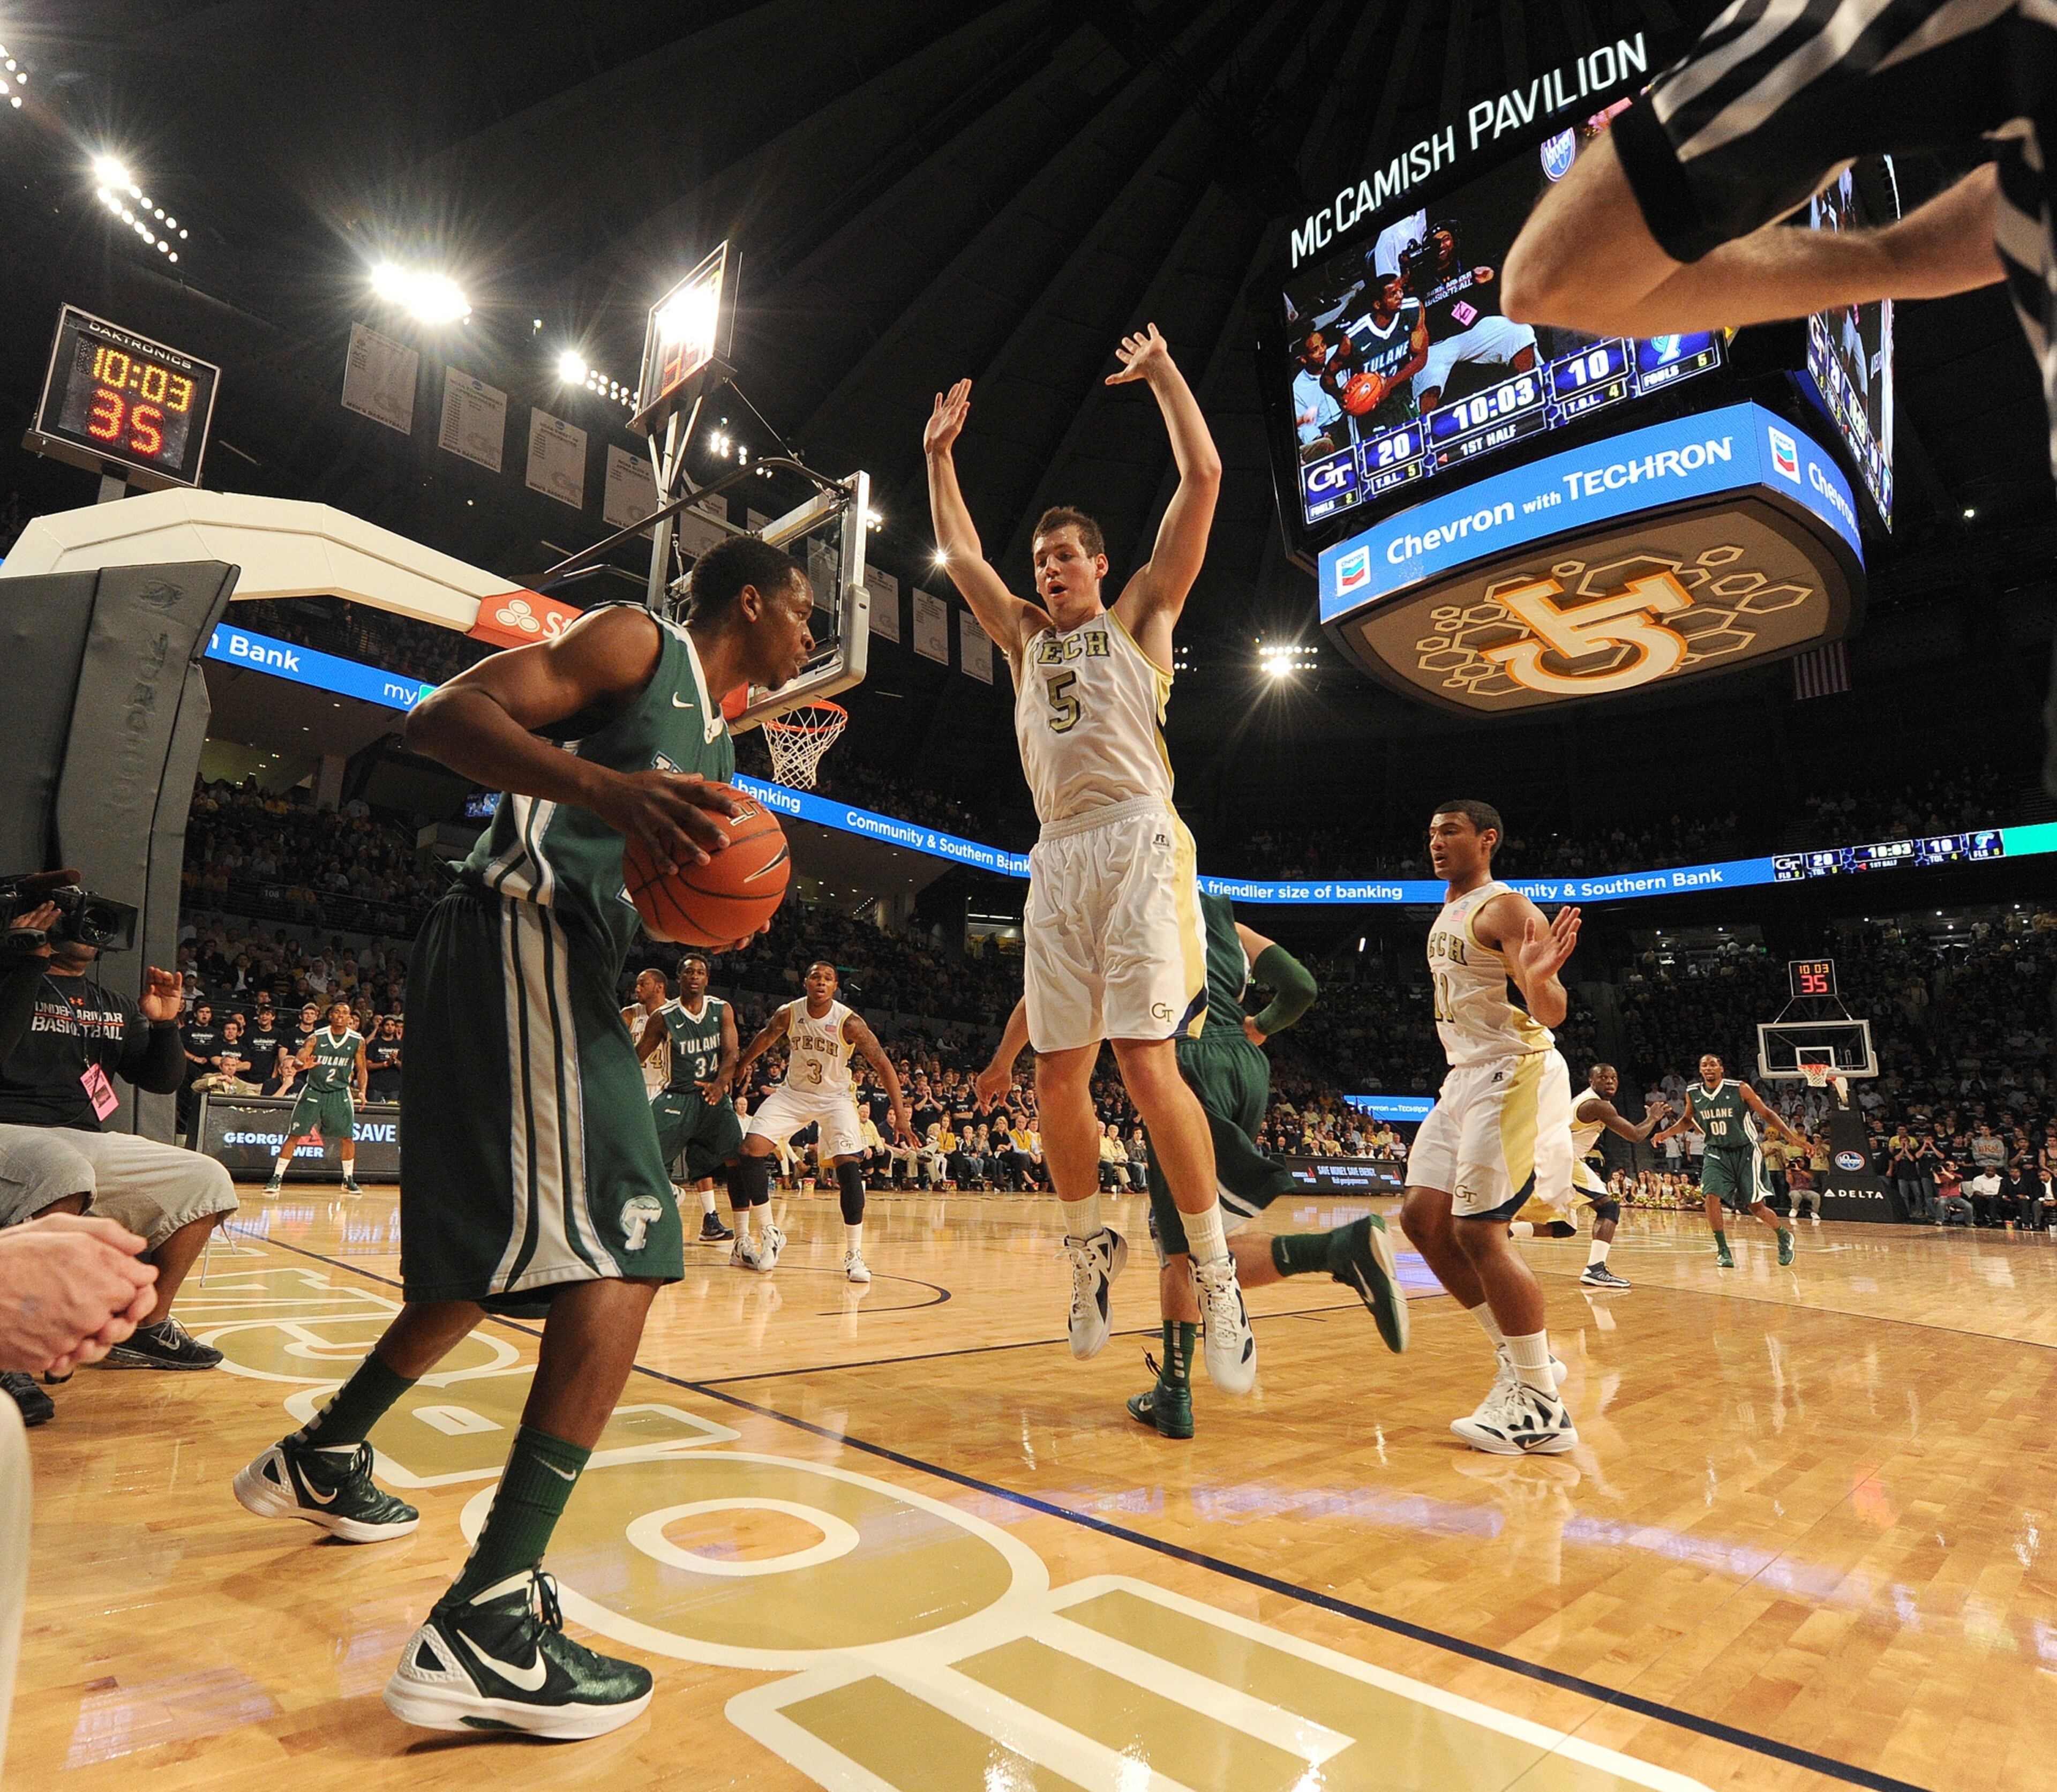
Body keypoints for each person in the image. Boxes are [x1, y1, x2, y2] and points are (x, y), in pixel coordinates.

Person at [231, 531, 817, 1740]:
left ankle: (324, 1451)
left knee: (479, 1267)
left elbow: (636, 857)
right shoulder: (638, 643)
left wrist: (701, 904)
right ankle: (488, 1619)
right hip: (517, 933)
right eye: (806, 608)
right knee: (632, 1248)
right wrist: (608, 790)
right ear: (749, 600)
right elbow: (439, 718)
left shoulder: (721, 731)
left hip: (555, 952)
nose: (817, 632)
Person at [926, 324, 1258, 1397]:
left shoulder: (1142, 616)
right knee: (1055, 1074)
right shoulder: (1025, 639)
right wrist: (939, 458)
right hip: (1058, 854)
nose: (1050, 569)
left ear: (1101, 565)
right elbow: (965, 561)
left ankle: (1214, 1272)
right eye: (1043, 561)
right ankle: (1087, 1250)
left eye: (1066, 556)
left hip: (1137, 836)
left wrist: (1165, 375)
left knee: (1145, 1062)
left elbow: (1203, 475)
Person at [985, 892, 1405, 1440]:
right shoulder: (1227, 920)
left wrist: (1001, 1060)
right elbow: (1301, 985)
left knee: (1184, 1250)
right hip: (1245, 1067)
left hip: (1181, 1064)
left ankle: (1336, 1250)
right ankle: (1173, 1395)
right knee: (1195, 1237)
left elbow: (1047, 998)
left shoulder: (1124, 908)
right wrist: (1260, 1025)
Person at [1398, 801, 1582, 1456]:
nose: (1436, 842)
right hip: (1464, 1077)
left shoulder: (1506, 907)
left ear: (1487, 839)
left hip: (1513, 1069)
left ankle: (1541, 1407)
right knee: (1422, 1219)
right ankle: (1522, 1358)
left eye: (1449, 831)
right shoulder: (1450, 906)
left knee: (1478, 1230)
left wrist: (1540, 981)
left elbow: (1550, 1011)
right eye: (1431, 832)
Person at [728, 961, 913, 1284]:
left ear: (836, 985)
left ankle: (855, 1253)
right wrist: (743, 1064)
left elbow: (883, 1064)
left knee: (848, 1164)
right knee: (750, 1150)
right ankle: (770, 1231)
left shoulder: (849, 1022)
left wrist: (900, 1115)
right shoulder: (789, 1013)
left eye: (828, 978)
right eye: (815, 977)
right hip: (794, 1094)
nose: (821, 982)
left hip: (835, 1100)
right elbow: (766, 1036)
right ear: (806, 983)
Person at [1510, 1063, 1669, 1292]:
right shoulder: (1595, 1104)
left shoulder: (1592, 1102)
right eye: (1603, 1077)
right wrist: (1653, 1117)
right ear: (1592, 1081)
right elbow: (1634, 1135)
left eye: (1614, 1077)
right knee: (1609, 1208)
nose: (1610, 1081)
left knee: (1565, 1227)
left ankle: (1506, 1232)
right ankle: (1595, 1269)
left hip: (1554, 1157)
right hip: (1562, 1158)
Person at [1656, 1056, 1804, 1269]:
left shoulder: (1740, 1088)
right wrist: (1665, 1134)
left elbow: (1767, 1113)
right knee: (1711, 1196)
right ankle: (1723, 1250)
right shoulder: (1694, 1092)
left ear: (1721, 1069)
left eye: (1712, 1064)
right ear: (1700, 1070)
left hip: (1745, 1150)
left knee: (1756, 1207)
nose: (1708, 1068)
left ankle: (1783, 1236)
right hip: (1716, 1152)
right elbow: (1688, 1120)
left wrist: (1792, 1138)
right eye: (1704, 1065)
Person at [639, 954, 739, 1247]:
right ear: (679, 978)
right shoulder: (659, 1016)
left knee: (737, 1156)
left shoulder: (722, 1009)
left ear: (707, 979)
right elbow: (637, 1055)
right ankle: (654, 1214)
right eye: (689, 972)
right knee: (648, 1156)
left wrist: (721, 1084)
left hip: (712, 1095)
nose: (695, 976)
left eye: (700, 972)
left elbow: (732, 1053)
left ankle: (733, 1228)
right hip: (675, 1095)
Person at [262, 1000, 366, 1196]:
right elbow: (297, 1062)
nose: (341, 1016)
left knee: (347, 1137)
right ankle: (276, 1177)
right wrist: (304, 1067)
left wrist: (362, 1091)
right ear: (330, 1016)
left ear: (350, 1017)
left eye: (345, 1013)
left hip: (340, 1091)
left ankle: (348, 1179)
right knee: (295, 1135)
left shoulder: (357, 1040)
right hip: (314, 1090)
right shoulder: (316, 1038)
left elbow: (362, 1069)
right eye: (337, 1012)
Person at [624, 967, 670, 1100]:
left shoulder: (675, 1014)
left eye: (643, 984)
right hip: (634, 1085)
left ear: (659, 988)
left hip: (664, 1088)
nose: (637, 989)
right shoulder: (629, 1015)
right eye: (637, 985)